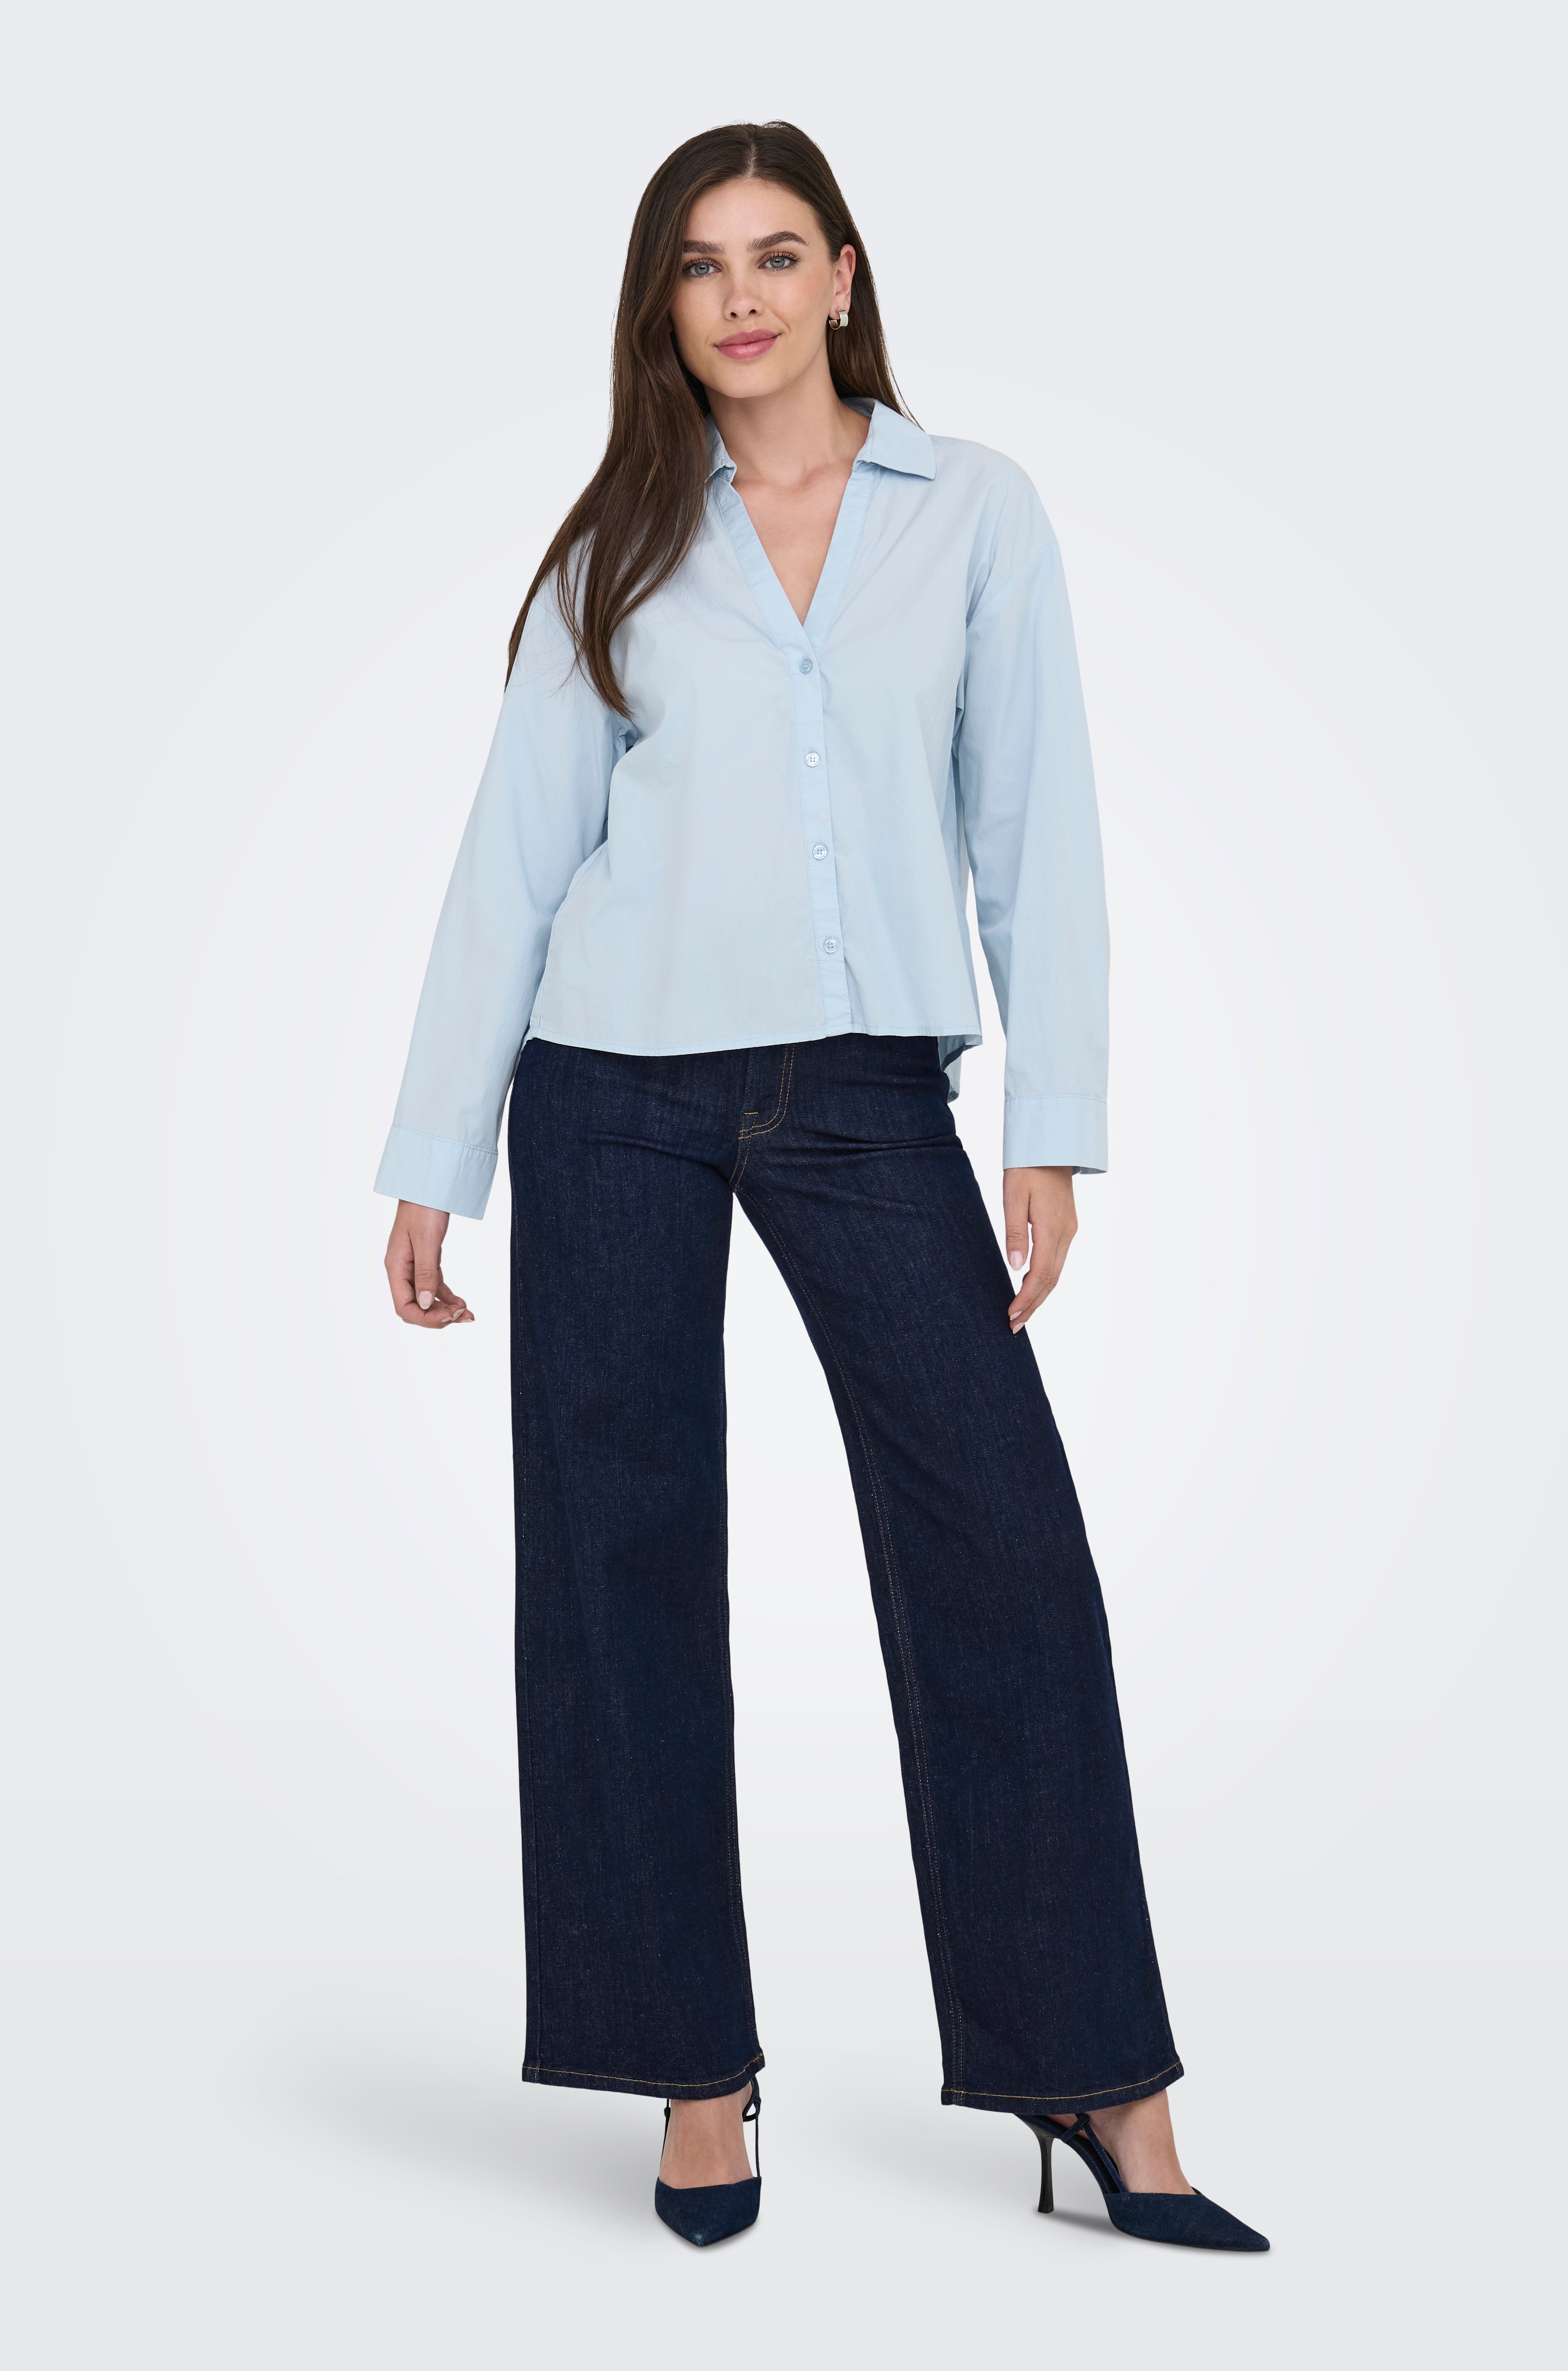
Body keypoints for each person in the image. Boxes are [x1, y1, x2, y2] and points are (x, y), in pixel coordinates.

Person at [376, 120, 1266, 2255]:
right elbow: (515, 849)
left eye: (779, 255)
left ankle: (1097, 2075)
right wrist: (433, 1153)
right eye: (702, 266)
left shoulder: (972, 512)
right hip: (607, 1086)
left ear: (845, 276)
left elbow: (1034, 815)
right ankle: (694, 2069)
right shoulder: (618, 538)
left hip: (867, 1094)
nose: (744, 297)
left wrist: (1052, 1116)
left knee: (1003, 1557)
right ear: (664, 306)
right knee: (618, 1569)